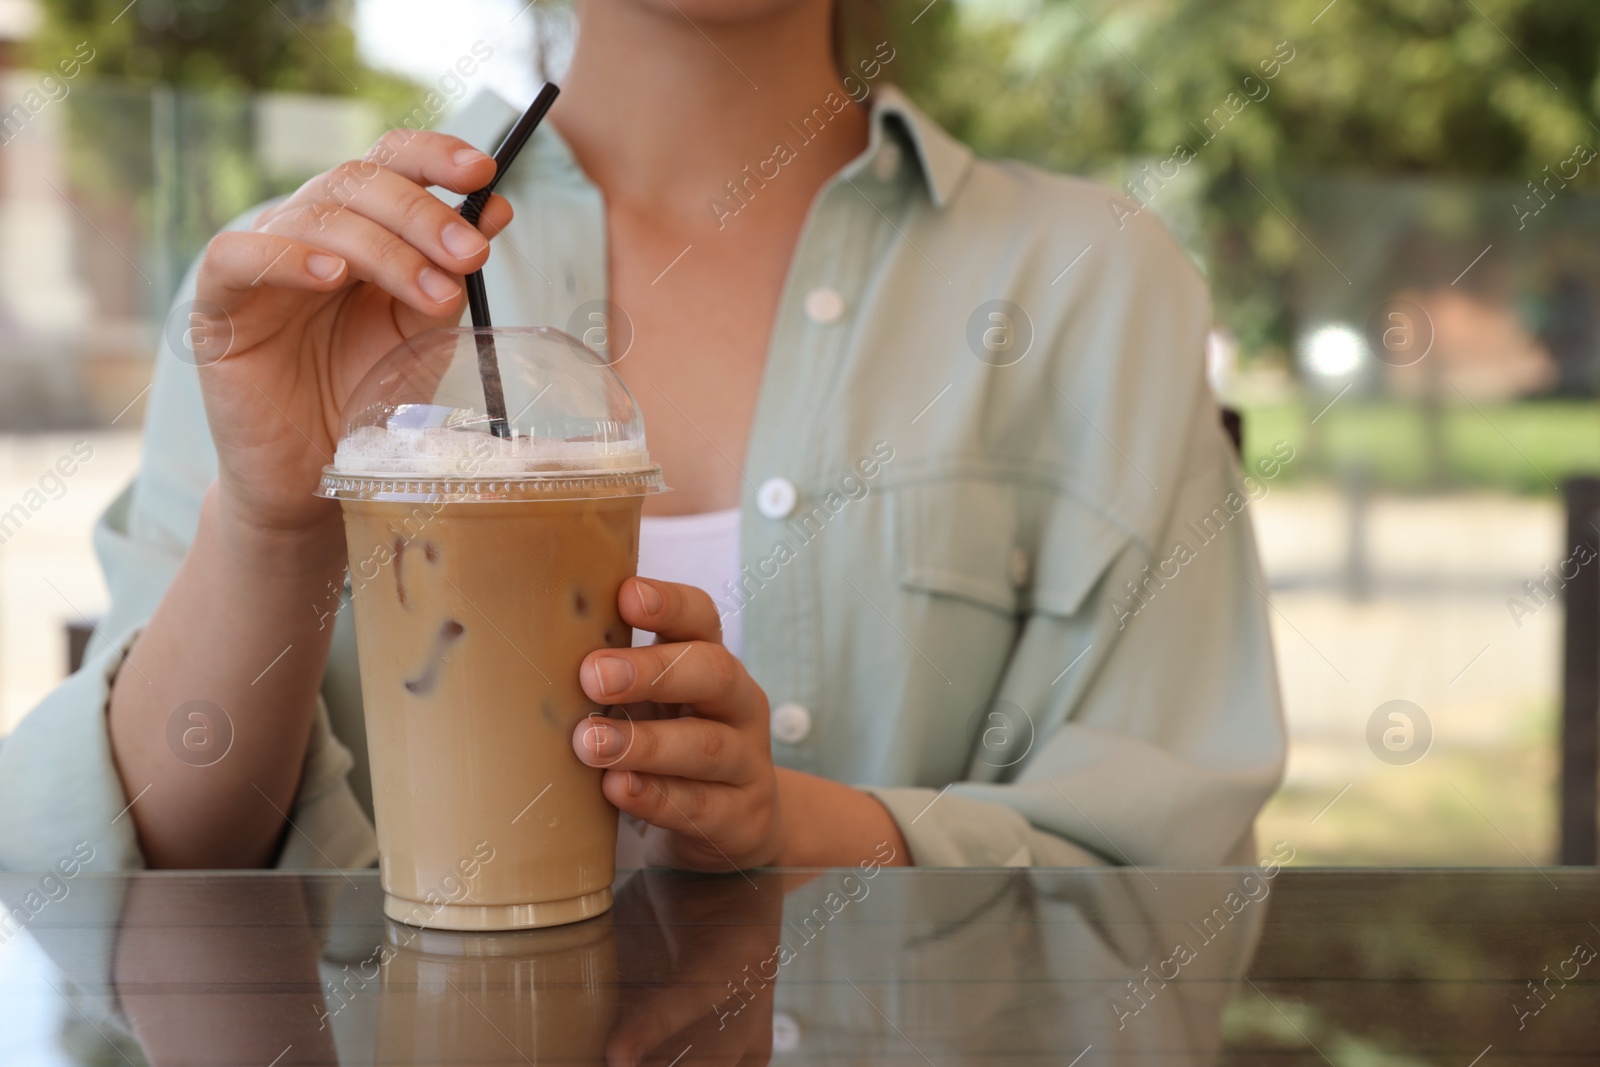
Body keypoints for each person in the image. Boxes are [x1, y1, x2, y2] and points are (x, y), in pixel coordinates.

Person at [0, 0, 1285, 875]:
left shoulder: (1100, 285)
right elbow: (152, 858)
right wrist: (278, 518)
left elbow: (1165, 863)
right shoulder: (305, 275)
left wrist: (798, 830)